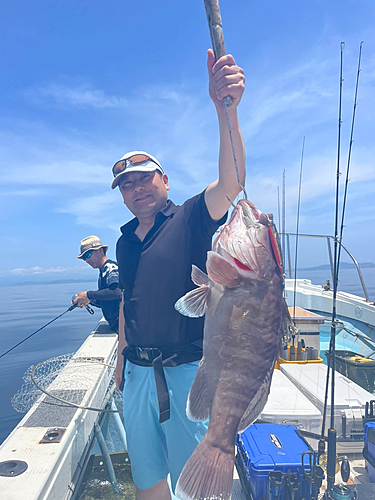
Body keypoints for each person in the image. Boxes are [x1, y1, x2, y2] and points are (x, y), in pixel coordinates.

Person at [112, 50, 245, 500]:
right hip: (135, 374)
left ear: (164, 180)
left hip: (188, 372)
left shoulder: (190, 217)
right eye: (127, 184)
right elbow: (129, 302)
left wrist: (225, 110)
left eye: (145, 178)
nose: (137, 188)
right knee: (148, 481)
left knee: (198, 489)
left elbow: (232, 182)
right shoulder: (124, 241)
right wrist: (120, 361)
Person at [74, 235, 121, 332]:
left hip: (123, 326)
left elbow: (117, 292)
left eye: (88, 255)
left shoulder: (110, 267)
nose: (86, 260)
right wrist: (88, 300)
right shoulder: (103, 270)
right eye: (84, 258)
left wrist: (88, 295)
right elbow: (109, 301)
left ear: (100, 251)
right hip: (118, 327)